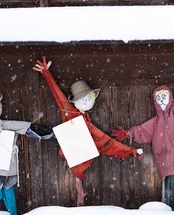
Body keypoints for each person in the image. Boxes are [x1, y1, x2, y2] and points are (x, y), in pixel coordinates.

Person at [33, 56, 142, 206]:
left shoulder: (87, 123)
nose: (87, 101)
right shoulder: (70, 113)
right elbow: (58, 97)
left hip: (81, 156)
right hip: (73, 157)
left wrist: (130, 151)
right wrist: (47, 74)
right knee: (76, 187)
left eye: (89, 97)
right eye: (82, 99)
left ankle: (81, 202)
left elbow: (106, 143)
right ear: (74, 101)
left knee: (80, 188)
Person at [111, 59, 174, 211]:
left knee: (172, 187)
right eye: (158, 98)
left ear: (170, 97)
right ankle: (168, 211)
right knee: (167, 187)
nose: (161, 101)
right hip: (164, 159)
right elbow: (141, 131)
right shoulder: (156, 122)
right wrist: (127, 134)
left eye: (164, 97)